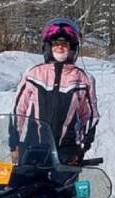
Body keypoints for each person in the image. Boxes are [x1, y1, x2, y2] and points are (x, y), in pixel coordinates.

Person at [10, 17, 99, 166]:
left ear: (72, 48)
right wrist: (14, 143)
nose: (60, 48)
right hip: (33, 144)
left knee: (64, 188)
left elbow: (90, 115)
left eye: (64, 44)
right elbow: (19, 109)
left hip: (67, 149)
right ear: (48, 47)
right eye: (56, 44)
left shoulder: (83, 79)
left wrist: (82, 147)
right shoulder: (33, 73)